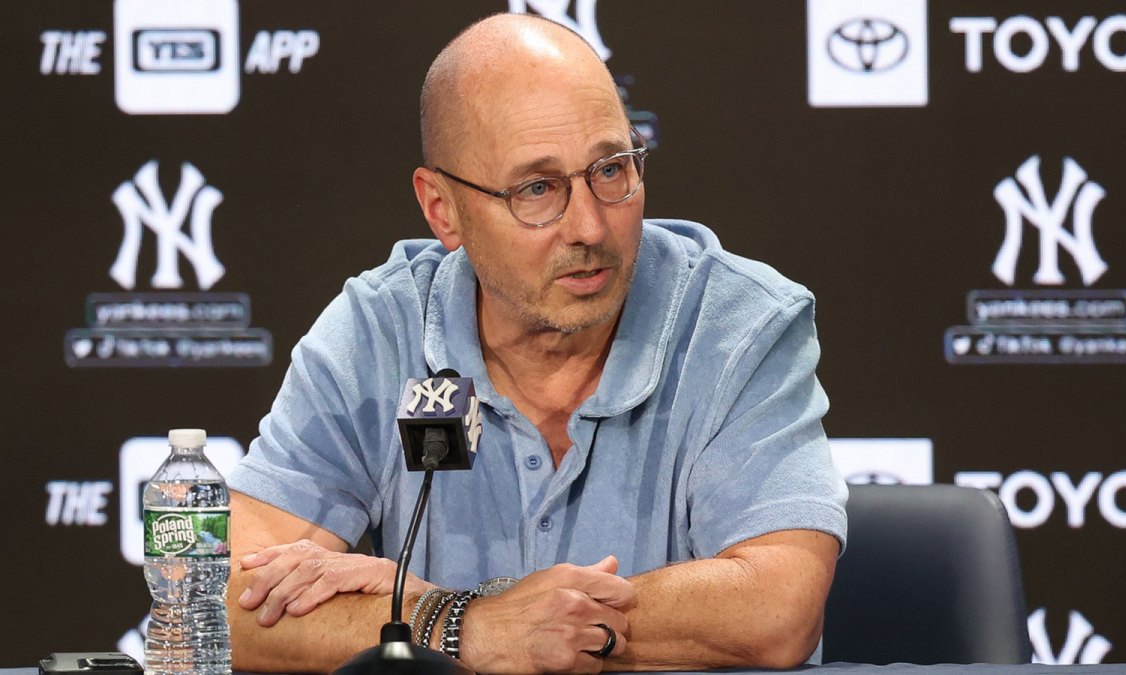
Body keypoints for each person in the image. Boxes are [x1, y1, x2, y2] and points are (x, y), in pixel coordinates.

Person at [227, 12, 847, 674]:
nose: (588, 225)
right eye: (538, 188)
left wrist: (462, 613)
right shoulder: (379, 330)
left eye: (612, 169)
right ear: (442, 209)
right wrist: (476, 627)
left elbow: (776, 612)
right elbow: (217, 604)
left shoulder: (738, 326)